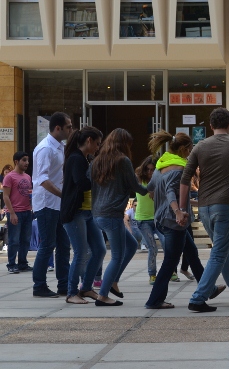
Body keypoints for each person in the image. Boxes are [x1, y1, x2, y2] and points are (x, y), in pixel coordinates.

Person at [179, 108, 229, 312]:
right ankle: (198, 297)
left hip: (204, 207)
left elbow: (185, 179)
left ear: (210, 126)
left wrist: (181, 208)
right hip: (227, 205)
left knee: (221, 248)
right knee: (219, 252)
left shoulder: (200, 146)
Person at [145, 130, 205, 310]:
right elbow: (171, 191)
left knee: (192, 253)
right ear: (183, 149)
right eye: (190, 149)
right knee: (171, 260)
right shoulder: (179, 169)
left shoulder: (161, 164)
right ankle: (154, 300)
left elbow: (150, 188)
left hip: (163, 219)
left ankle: (207, 288)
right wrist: (177, 211)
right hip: (174, 221)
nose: (191, 152)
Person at [92, 128, 148, 306]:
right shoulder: (123, 160)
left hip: (98, 213)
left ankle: (113, 281)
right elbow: (134, 185)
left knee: (131, 245)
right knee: (117, 255)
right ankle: (102, 295)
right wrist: (151, 188)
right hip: (112, 214)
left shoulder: (97, 161)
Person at [60, 126, 105, 304]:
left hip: (88, 212)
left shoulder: (85, 159)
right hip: (75, 213)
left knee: (100, 250)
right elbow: (82, 183)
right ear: (88, 141)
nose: (98, 147)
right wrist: (99, 177)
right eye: (97, 143)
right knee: (81, 253)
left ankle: (86, 288)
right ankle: (71, 293)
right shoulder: (76, 159)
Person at [31, 112, 73, 298]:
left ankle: (64, 285)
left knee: (64, 245)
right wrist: (64, 195)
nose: (71, 130)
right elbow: (42, 179)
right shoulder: (46, 148)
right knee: (48, 245)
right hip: (47, 203)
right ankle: (39, 285)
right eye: (69, 127)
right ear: (58, 128)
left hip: (58, 204)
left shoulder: (60, 147)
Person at [134, 156, 167, 285]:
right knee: (153, 248)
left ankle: (170, 271)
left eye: (153, 169)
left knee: (167, 245)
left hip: (158, 218)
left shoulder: (158, 179)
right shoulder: (139, 179)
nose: (150, 172)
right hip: (143, 220)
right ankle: (152, 274)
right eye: (147, 169)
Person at [3, 152, 33, 273]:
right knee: (14, 240)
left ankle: (22, 263)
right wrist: (12, 213)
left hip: (27, 211)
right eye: (24, 160)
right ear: (16, 162)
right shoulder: (9, 177)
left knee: (25, 239)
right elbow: (5, 196)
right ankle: (11, 264)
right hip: (15, 212)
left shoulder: (27, 177)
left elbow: (29, 193)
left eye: (28, 160)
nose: (27, 163)